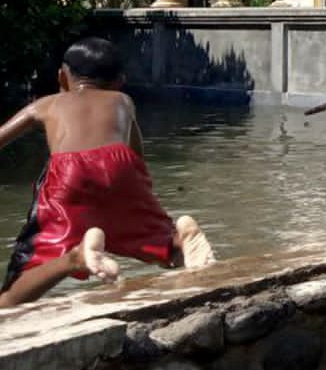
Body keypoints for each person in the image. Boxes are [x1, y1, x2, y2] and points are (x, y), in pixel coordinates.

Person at [0, 39, 214, 306]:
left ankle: (75, 257)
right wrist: (138, 195)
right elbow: (136, 155)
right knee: (154, 241)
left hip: (69, 172)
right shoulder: (123, 101)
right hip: (122, 167)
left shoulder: (47, 104)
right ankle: (178, 242)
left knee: (12, 295)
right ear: (119, 81)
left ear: (61, 77)